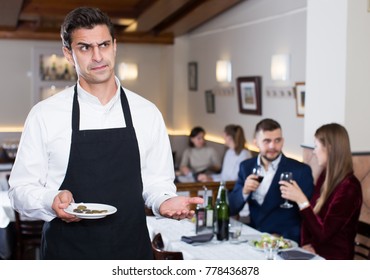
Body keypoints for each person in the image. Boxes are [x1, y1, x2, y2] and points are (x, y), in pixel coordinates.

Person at [8, 7, 202, 260]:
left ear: (115, 46)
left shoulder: (147, 112)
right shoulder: (45, 114)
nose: (98, 56)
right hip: (66, 254)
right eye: (85, 47)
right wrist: (50, 199)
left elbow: (156, 183)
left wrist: (163, 202)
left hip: (130, 251)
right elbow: (19, 190)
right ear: (68, 53)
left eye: (104, 44)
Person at [280, 123, 362, 259]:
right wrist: (306, 244)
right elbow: (311, 215)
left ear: (329, 148)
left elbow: (324, 233)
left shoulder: (350, 188)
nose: (313, 151)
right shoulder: (325, 176)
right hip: (314, 254)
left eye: (316, 146)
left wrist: (301, 201)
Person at [228, 118, 314, 243]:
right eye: (267, 141)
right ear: (256, 142)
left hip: (287, 241)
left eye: (277, 140)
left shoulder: (300, 171)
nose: (273, 146)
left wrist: (303, 242)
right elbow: (232, 208)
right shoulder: (246, 167)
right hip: (254, 239)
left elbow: (309, 215)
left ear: (283, 141)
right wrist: (244, 191)